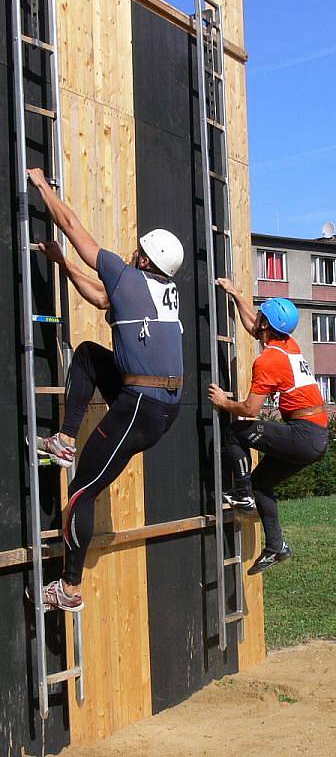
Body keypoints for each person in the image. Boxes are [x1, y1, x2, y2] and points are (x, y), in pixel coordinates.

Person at [26, 168, 184, 611]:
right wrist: (63, 264)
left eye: (140, 250)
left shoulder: (129, 276)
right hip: (162, 405)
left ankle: (69, 588)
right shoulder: (157, 292)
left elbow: (74, 227)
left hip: (142, 406)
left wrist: (42, 185)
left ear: (146, 260)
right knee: (91, 356)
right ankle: (64, 438)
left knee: (82, 490)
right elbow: (100, 298)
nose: (133, 252)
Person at [208, 279, 328, 576]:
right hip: (315, 435)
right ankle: (276, 546)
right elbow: (255, 327)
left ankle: (242, 493)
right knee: (264, 483)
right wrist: (236, 295)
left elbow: (250, 409)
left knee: (237, 430)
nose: (256, 320)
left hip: (303, 435)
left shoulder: (269, 361)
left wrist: (224, 402)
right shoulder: (287, 344)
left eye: (261, 316)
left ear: (267, 326)